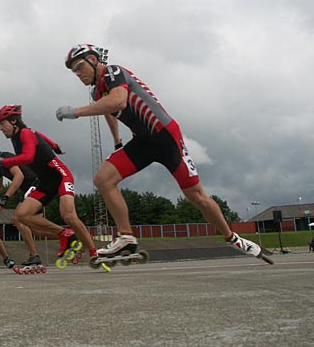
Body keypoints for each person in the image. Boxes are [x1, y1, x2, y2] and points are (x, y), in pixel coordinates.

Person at [56, 44, 273, 264]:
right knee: (103, 179)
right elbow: (108, 110)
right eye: (74, 71)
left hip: (166, 137)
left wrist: (76, 112)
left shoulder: (113, 71)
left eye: (80, 66)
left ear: (94, 59)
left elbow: (118, 101)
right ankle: (126, 237)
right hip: (143, 142)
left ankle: (233, 238)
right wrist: (117, 141)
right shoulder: (97, 91)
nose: (78, 73)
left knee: (195, 195)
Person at [0, 104, 100, 265]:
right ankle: (65, 234)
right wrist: (55, 146)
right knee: (21, 216)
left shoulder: (24, 134)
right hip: (45, 181)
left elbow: (28, 157)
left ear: (13, 121)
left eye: (2, 124)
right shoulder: (18, 136)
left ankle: (95, 252)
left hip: (60, 175)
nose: (0, 129)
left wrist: (0, 161)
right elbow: (40, 135)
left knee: (68, 215)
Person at [0, 136, 42, 269]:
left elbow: (19, 176)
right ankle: (66, 238)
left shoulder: (5, 157)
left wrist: (6, 197)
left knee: (18, 219)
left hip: (36, 184)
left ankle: (36, 255)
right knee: (36, 225)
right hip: (31, 188)